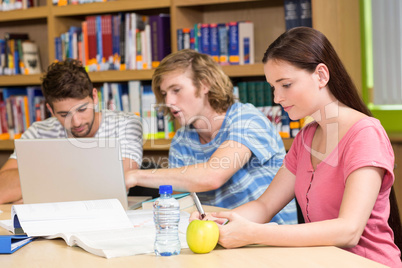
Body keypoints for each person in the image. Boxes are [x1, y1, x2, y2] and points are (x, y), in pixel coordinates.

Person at [189, 27, 402, 267]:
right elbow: (265, 205)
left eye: (286, 85)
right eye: (273, 87)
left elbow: (348, 231)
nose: (277, 98)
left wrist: (254, 233)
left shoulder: (365, 134)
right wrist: (217, 221)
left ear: (321, 75)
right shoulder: (305, 138)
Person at [125, 49, 297, 225]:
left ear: (204, 85)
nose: (168, 101)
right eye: (164, 93)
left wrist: (135, 176)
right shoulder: (182, 140)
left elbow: (213, 175)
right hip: (219, 236)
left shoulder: (246, 118)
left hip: (269, 238)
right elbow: (182, 204)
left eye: (176, 90)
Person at [0, 59, 143, 204]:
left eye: (82, 109)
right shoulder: (38, 132)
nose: (76, 122)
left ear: (94, 97)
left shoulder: (125, 124)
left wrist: (37, 190)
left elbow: (117, 184)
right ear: (51, 110)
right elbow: (2, 190)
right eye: (64, 114)